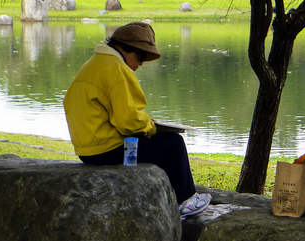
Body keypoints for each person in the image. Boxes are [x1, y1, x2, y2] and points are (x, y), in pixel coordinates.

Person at [63, 22, 211, 219]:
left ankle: (169, 197)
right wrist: (152, 128)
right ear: (126, 49)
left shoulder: (93, 65)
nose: (140, 63)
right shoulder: (117, 69)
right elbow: (128, 122)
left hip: (87, 150)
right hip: (107, 150)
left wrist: (145, 123)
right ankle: (186, 200)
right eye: (140, 56)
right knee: (173, 143)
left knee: (160, 146)